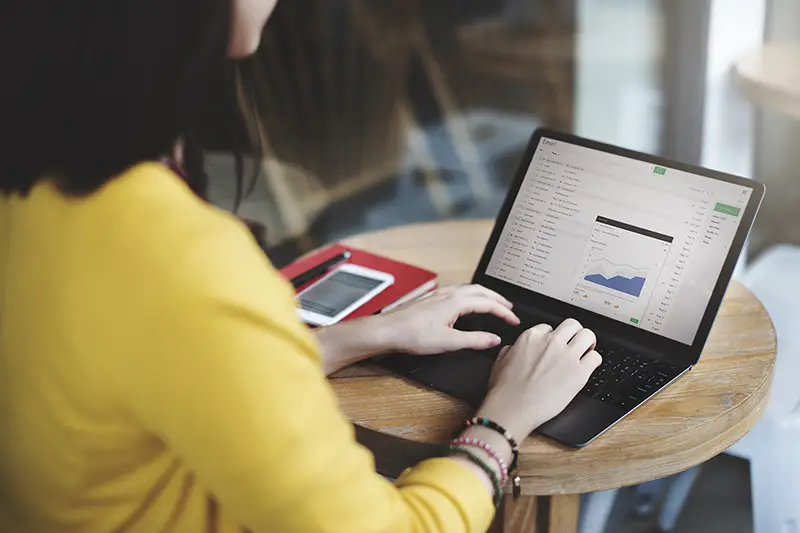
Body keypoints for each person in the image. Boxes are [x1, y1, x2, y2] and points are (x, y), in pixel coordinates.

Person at [0, 1, 602, 532]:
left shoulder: (35, 191)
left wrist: (365, 336)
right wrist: (504, 420)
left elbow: (176, 370)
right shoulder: (188, 263)